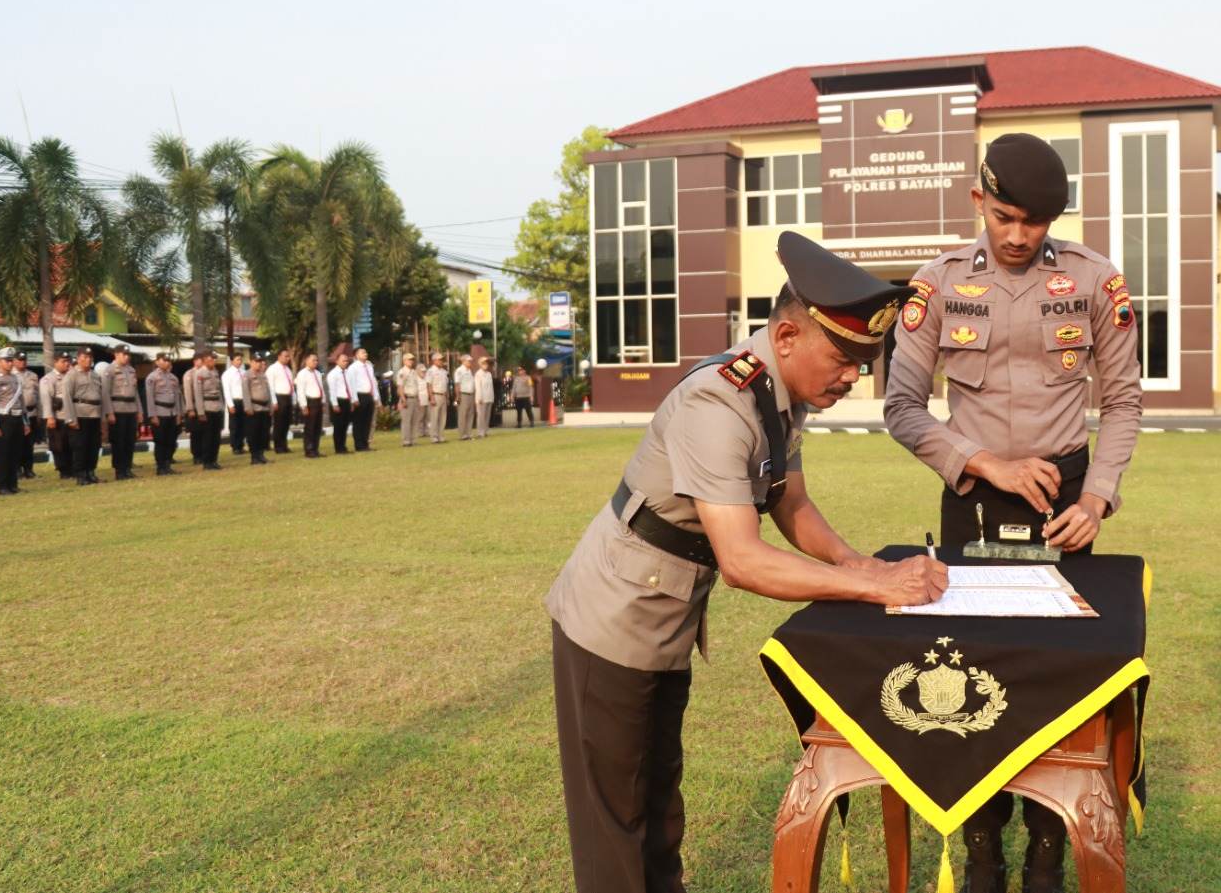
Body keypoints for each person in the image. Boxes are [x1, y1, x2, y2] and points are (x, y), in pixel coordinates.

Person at [547, 231, 947, 893]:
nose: (853, 375)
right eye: (843, 357)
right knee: (615, 824)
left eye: (864, 360)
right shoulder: (721, 400)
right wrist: (868, 587)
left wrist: (863, 566)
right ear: (787, 337)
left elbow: (791, 502)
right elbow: (742, 559)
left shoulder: (778, 396)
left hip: (662, 618)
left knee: (657, 809)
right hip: (610, 620)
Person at [882, 132, 1143, 893]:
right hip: (972, 500)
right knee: (968, 671)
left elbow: (1123, 401)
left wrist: (1097, 495)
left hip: (1065, 500)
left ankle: (1048, 852)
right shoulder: (935, 284)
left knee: (1059, 675)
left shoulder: (1095, 281)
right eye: (1005, 216)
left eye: (1035, 221)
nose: (1019, 235)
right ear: (978, 201)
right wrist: (982, 461)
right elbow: (901, 406)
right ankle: (982, 850)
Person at [61, 348, 106, 485]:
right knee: (80, 447)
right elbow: (67, 397)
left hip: (94, 414)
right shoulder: (71, 375)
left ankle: (91, 472)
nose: (88, 360)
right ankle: (81, 475)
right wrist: (70, 418)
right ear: (79, 358)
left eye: (90, 357)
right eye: (85, 357)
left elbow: (101, 397)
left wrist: (102, 417)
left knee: (94, 446)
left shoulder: (95, 375)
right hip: (80, 414)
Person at [0, 347, 29, 495]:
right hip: (3, 419)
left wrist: (25, 422)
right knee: (4, 454)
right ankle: (2, 486)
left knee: (15, 453)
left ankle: (13, 484)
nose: (9, 363)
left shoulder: (16, 379)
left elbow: (22, 402)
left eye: (11, 360)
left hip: (17, 418)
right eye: (7, 360)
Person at [102, 342, 142, 481]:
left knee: (130, 440)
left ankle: (127, 468)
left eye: (128, 354)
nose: (127, 357)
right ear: (116, 355)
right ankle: (119, 470)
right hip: (117, 408)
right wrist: (110, 412)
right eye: (124, 354)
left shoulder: (131, 370)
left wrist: (139, 411)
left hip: (131, 408)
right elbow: (105, 393)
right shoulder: (110, 370)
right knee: (118, 441)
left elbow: (135, 392)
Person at [144, 351, 183, 475]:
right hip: (159, 412)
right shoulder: (152, 377)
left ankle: (167, 464)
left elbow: (177, 397)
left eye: (168, 360)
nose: (167, 362)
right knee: (160, 441)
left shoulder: (173, 378)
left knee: (170, 440)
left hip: (172, 412)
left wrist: (178, 414)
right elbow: (149, 398)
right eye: (164, 360)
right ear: (157, 362)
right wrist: (152, 415)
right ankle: (160, 466)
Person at [189, 348, 226, 470]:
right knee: (207, 437)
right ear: (204, 361)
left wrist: (222, 406)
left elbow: (219, 392)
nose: (213, 362)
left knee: (216, 437)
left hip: (216, 407)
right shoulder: (200, 374)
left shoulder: (215, 372)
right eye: (210, 360)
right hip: (207, 407)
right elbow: (198, 394)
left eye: (214, 360)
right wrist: (200, 412)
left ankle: (214, 460)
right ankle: (207, 462)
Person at [39, 351, 73, 479]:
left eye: (68, 361)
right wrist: (49, 417)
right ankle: (63, 470)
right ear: (55, 362)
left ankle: (72, 468)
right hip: (57, 416)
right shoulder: (48, 379)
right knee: (59, 445)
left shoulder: (71, 376)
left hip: (70, 417)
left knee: (71, 444)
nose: (67, 364)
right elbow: (46, 399)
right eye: (63, 361)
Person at [242, 351, 274, 465]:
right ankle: (254, 456)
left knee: (263, 433)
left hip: (264, 408)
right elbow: (245, 393)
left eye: (260, 362)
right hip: (254, 408)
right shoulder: (247, 375)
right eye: (256, 362)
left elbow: (268, 392)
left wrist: (270, 406)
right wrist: (248, 407)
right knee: (253, 433)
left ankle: (261, 455)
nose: (259, 364)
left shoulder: (263, 375)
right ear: (251, 362)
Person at [295, 352, 328, 458]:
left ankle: (315, 449)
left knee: (317, 427)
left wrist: (323, 401)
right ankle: (309, 450)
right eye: (313, 360)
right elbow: (300, 391)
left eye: (316, 360)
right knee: (310, 427)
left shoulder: (318, 373)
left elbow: (321, 389)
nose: (315, 362)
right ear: (307, 361)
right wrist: (303, 406)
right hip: (310, 402)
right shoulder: (302, 374)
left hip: (318, 401)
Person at [347, 347, 379, 452]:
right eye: (362, 352)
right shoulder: (353, 368)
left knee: (367, 421)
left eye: (366, 352)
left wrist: (375, 396)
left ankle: (365, 444)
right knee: (358, 422)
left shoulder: (369, 367)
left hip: (369, 395)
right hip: (359, 396)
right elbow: (351, 384)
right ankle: (359, 445)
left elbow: (373, 382)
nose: (365, 353)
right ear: (356, 355)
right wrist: (354, 399)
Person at [13, 352, 39, 479]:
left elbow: (37, 395)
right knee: (18, 443)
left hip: (31, 413)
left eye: (24, 360)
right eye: (19, 360)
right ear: (14, 361)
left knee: (29, 444)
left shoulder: (33, 375)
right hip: (17, 414)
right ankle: (17, 469)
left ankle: (28, 469)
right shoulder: (11, 375)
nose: (22, 362)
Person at [326, 351, 356, 455]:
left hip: (347, 400)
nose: (345, 362)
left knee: (345, 425)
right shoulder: (333, 374)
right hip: (338, 401)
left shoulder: (348, 373)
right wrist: (334, 404)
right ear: (337, 361)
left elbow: (351, 387)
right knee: (338, 426)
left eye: (347, 360)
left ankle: (343, 446)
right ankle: (338, 448)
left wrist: (352, 401)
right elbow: (332, 390)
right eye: (343, 360)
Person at [267, 348, 296, 454]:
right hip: (279, 397)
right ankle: (278, 446)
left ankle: (284, 445)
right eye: (285, 356)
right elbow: (270, 387)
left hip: (287, 397)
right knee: (279, 423)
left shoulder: (288, 369)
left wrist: (293, 399)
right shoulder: (272, 369)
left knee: (286, 423)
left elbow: (291, 385)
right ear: (279, 356)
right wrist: (274, 401)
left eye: (288, 356)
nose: (287, 358)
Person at [395, 353, 422, 447]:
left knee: (415, 420)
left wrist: (418, 399)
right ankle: (406, 441)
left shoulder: (414, 372)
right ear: (404, 361)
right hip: (407, 397)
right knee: (406, 420)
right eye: (409, 359)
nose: (411, 361)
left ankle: (413, 440)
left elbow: (416, 386)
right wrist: (403, 399)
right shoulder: (402, 372)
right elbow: (400, 387)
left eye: (412, 360)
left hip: (414, 397)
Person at [222, 353, 247, 454]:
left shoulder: (244, 372)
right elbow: (226, 390)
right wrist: (230, 404)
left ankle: (241, 445)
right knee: (234, 425)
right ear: (232, 361)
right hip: (234, 400)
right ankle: (235, 446)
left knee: (243, 424)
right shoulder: (227, 374)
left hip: (244, 400)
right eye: (237, 359)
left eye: (241, 359)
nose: (239, 362)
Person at [182, 352, 204, 465]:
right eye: (201, 360)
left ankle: (204, 454)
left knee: (205, 432)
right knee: (196, 433)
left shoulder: (207, 372)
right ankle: (197, 455)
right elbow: (187, 392)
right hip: (195, 407)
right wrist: (190, 408)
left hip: (205, 407)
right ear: (195, 361)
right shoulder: (189, 374)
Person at [425, 353, 450, 443]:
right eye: (439, 360)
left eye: (442, 360)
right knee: (434, 417)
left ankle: (441, 435)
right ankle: (434, 436)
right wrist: (431, 397)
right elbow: (429, 385)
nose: (441, 361)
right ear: (434, 360)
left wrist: (447, 397)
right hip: (435, 394)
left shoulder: (444, 371)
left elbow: (445, 385)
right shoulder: (431, 371)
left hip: (443, 395)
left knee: (443, 417)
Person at [454, 354, 477, 440]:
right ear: (463, 361)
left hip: (470, 394)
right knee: (462, 415)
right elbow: (457, 383)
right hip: (463, 394)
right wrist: (457, 396)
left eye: (471, 361)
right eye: (469, 361)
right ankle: (462, 434)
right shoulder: (459, 371)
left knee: (470, 414)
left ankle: (469, 433)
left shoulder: (470, 371)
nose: (470, 362)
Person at [474, 357, 495, 438]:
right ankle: (480, 432)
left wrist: (492, 397)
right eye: (484, 363)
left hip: (489, 397)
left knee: (487, 416)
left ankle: (485, 431)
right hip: (481, 398)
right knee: (481, 416)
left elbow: (491, 387)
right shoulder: (478, 374)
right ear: (480, 364)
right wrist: (479, 397)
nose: (486, 365)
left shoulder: (489, 374)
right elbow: (478, 387)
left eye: (486, 363)